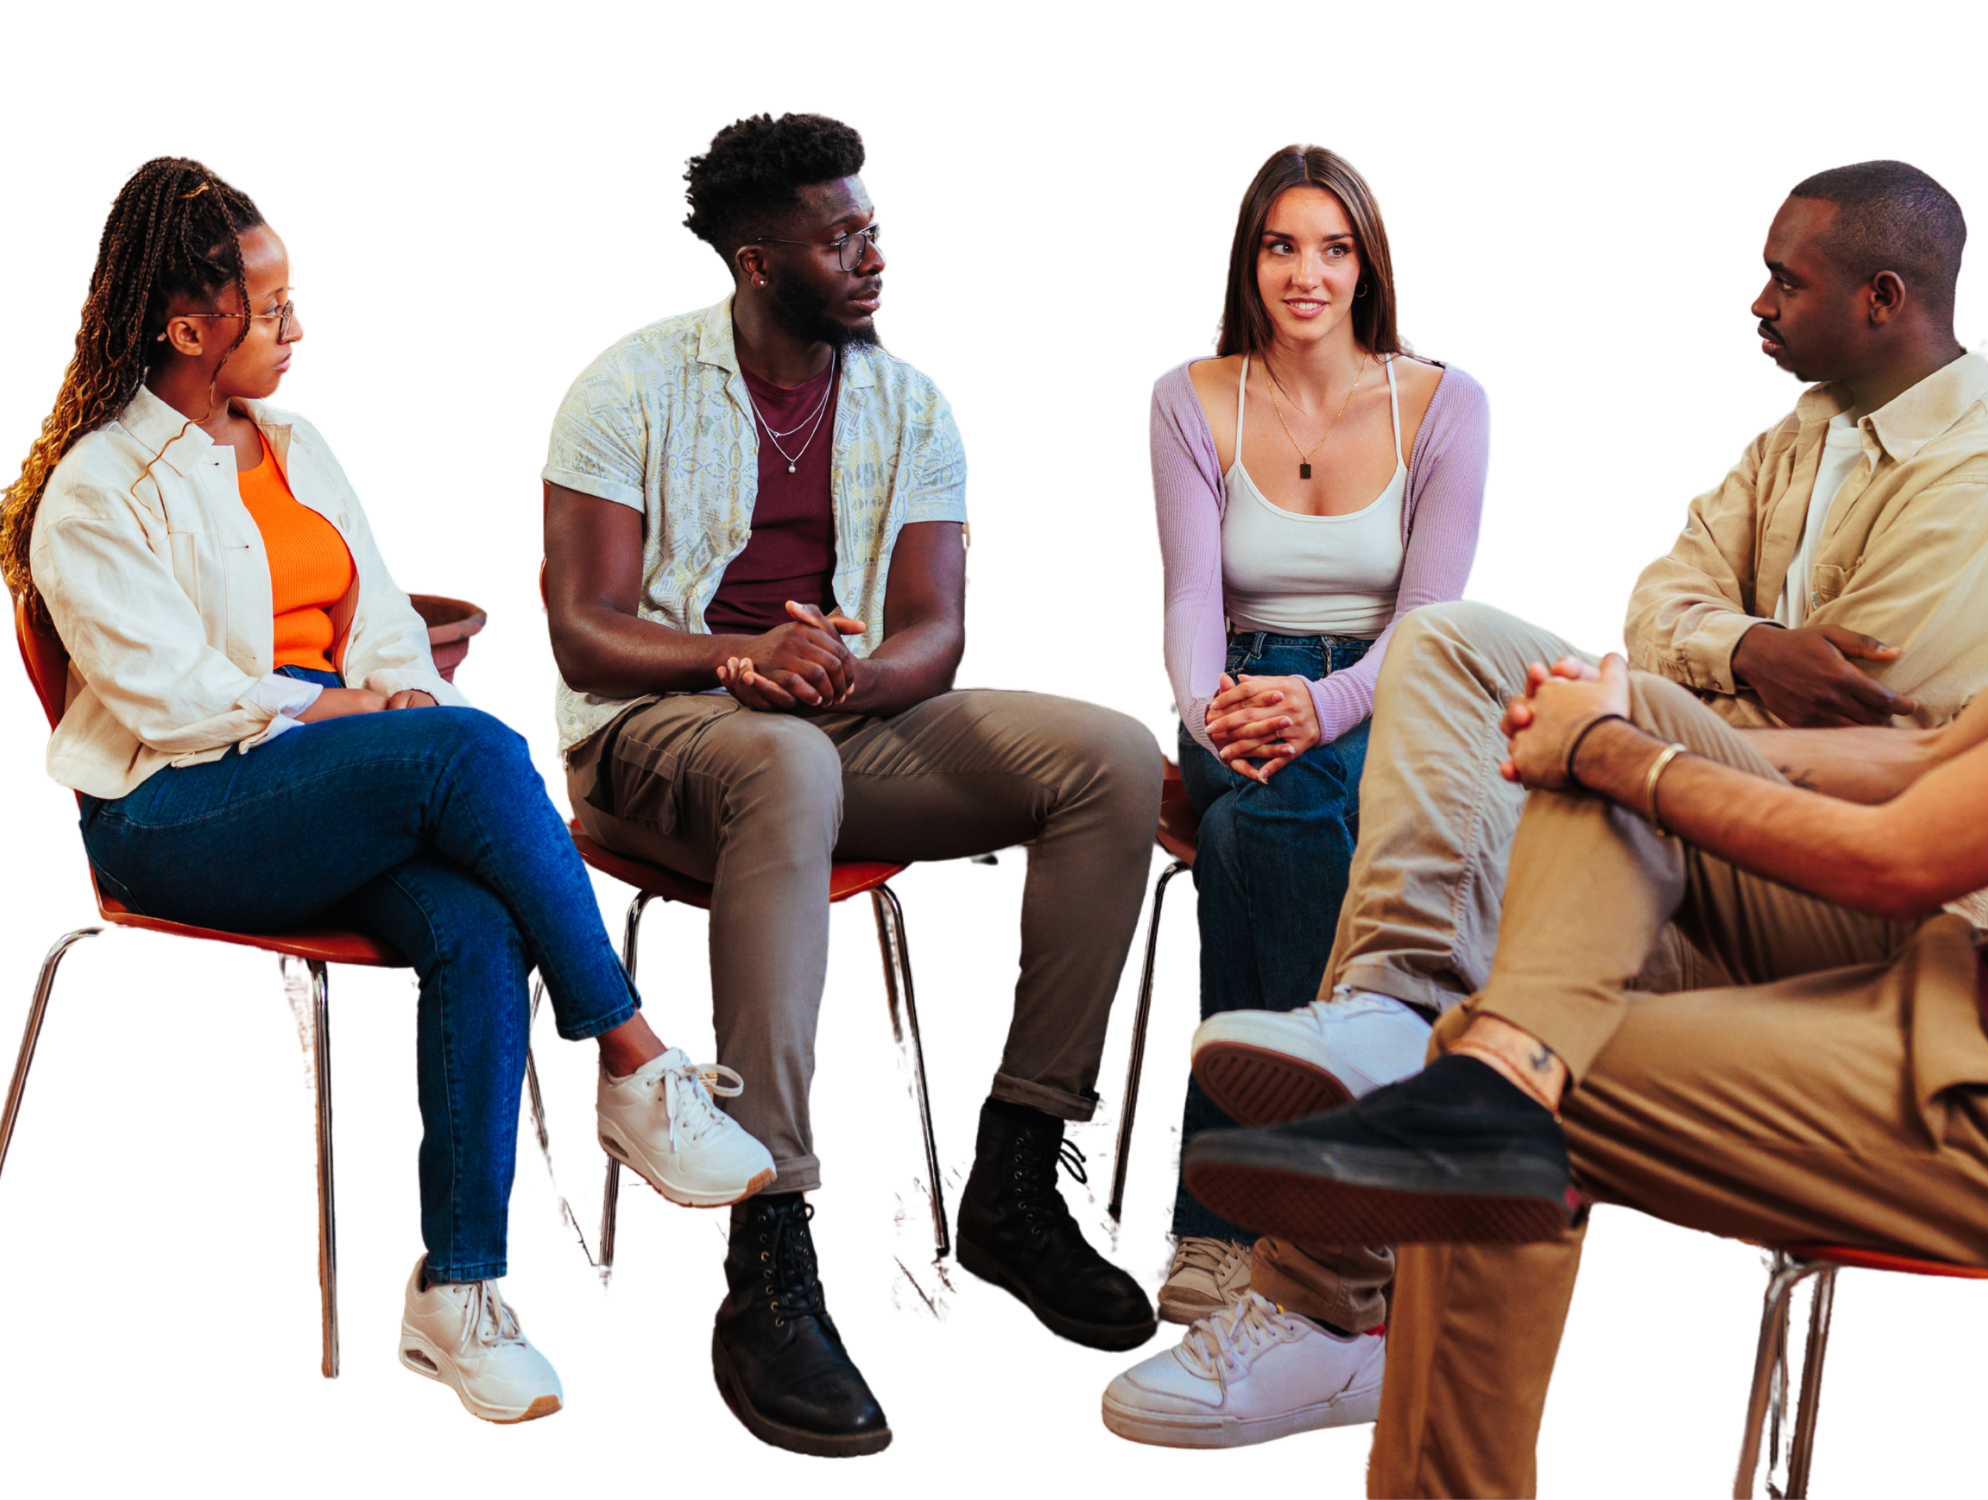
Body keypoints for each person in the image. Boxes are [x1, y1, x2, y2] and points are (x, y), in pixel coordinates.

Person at [1183, 78, 1988, 1496]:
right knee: (1527, 902)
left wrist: (1623, 750)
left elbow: (1908, 848)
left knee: (1506, 1081)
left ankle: (1404, 1164)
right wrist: (1640, 727)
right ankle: (1427, 1087)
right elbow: (1928, 743)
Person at [1151, 158, 1988, 1448]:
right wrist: (1747, 648)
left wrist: (1632, 725)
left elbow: (1844, 758)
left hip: (1883, 907)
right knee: (1453, 643)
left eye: (1786, 278)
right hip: (1707, 834)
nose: (1757, 301)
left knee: (1495, 971)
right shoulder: (1804, 432)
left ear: (1883, 299)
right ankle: (1377, 1020)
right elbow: (1656, 604)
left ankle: (1317, 1311)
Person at [3, 157, 777, 1430]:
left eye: (299, 300)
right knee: (472, 752)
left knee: (470, 919)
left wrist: (395, 699)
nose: (300, 332)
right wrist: (363, 715)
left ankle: (457, 1295)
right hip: (173, 809)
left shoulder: (301, 446)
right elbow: (175, 704)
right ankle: (632, 1063)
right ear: (182, 323)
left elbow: (384, 636)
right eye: (274, 307)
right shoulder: (97, 488)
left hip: (325, 780)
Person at [538, 112, 1169, 1458]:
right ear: (763, 264)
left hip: (837, 728)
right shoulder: (630, 384)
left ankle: (1012, 1173)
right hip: (650, 739)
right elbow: (586, 627)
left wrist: (843, 680)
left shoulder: (908, 401)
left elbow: (936, 634)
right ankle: (768, 1241)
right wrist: (741, 658)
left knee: (1110, 758)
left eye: (875, 224)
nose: (878, 254)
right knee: (775, 761)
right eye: (845, 237)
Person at [1100, 142, 1491, 1451]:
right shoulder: (1187, 394)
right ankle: (1336, 1203)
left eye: (1333, 247)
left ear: (1370, 261)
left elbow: (1434, 620)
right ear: (1248, 260)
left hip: (1391, 695)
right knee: (1261, 799)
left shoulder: (1446, 399)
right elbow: (1189, 607)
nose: (1307, 274)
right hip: (1236, 697)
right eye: (1281, 246)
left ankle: (1224, 1227)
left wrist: (1325, 708)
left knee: (1258, 824)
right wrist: (1222, 708)